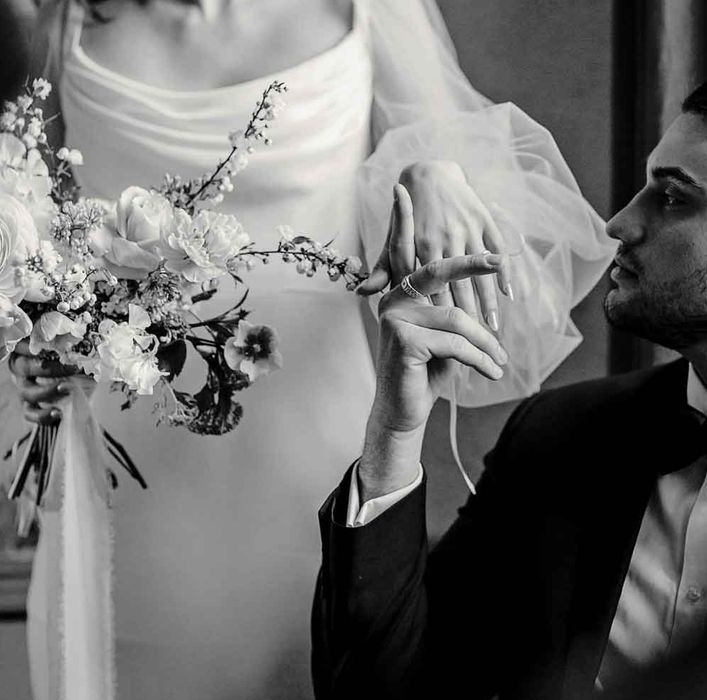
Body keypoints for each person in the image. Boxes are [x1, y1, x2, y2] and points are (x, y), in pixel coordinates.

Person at [3, 1, 613, 699]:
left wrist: (433, 172)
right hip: (134, 463)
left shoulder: (360, 8)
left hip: (315, 443)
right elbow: (33, 224)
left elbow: (457, 186)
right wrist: (31, 342)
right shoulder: (56, 21)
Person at [312, 69, 707, 700]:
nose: (617, 223)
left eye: (673, 197)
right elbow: (381, 689)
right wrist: (395, 429)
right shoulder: (560, 438)